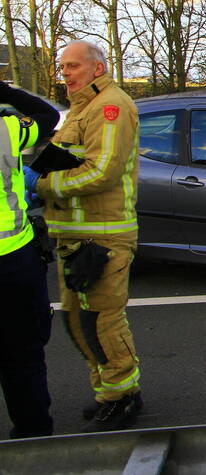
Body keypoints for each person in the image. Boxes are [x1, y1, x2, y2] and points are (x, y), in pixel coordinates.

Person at [27, 40, 144, 431]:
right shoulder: (82, 108)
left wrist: (42, 185)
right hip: (77, 238)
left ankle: (122, 396)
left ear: (98, 68)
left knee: (102, 322)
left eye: (74, 66)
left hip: (103, 237)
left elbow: (102, 172)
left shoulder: (110, 107)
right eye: (63, 67)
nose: (66, 74)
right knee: (79, 322)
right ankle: (108, 390)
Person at [0, 81, 59, 439]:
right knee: (22, 358)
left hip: (14, 263)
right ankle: (35, 437)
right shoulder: (6, 129)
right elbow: (48, 115)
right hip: (12, 263)